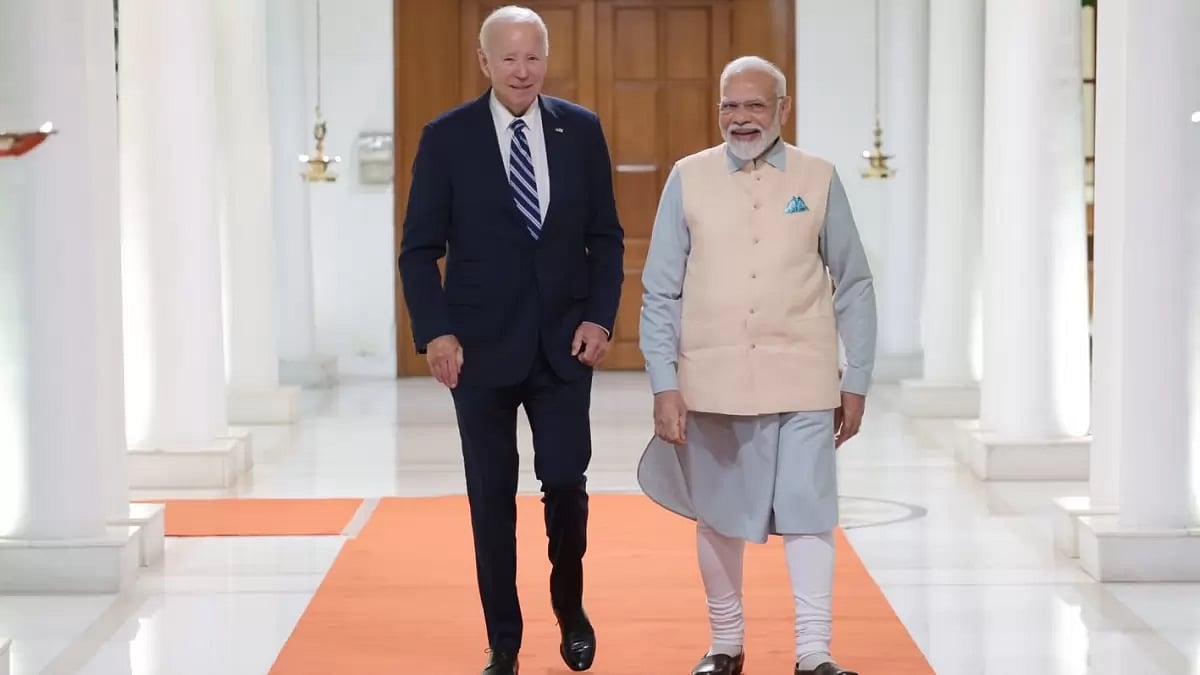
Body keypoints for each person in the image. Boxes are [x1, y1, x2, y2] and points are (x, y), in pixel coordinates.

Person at [397, 5, 623, 675]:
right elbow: (418, 250)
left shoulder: (581, 130)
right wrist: (436, 331)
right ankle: (504, 641)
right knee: (491, 498)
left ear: (545, 59)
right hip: (478, 352)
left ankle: (570, 606)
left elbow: (606, 238)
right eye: (509, 58)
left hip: (563, 347)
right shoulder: (447, 137)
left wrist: (600, 318)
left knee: (566, 483)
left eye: (533, 57)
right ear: (484, 61)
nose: (522, 71)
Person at [636, 55, 876, 675]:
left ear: (782, 109)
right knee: (717, 518)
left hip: (804, 375)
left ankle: (814, 654)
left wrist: (858, 378)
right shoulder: (687, 177)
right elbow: (660, 289)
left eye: (755, 105)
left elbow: (853, 283)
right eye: (730, 106)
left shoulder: (818, 177)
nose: (741, 118)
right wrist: (664, 383)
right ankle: (725, 645)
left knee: (809, 511)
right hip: (710, 380)